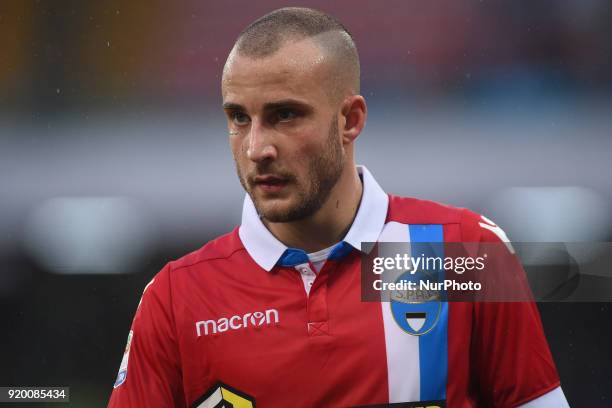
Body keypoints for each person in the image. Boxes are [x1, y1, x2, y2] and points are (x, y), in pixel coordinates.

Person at [108, 7, 569, 407]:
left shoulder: (463, 252)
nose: (256, 148)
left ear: (350, 120)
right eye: (238, 118)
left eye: (284, 115)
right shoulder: (177, 297)